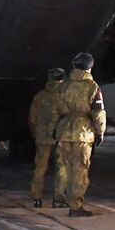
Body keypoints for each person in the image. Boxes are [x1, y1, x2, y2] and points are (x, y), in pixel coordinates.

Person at [50, 52, 106, 217]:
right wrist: (100, 132)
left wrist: (55, 129)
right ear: (90, 67)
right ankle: (75, 207)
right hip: (83, 133)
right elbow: (98, 112)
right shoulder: (93, 87)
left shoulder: (63, 86)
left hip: (64, 131)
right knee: (80, 171)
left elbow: (55, 110)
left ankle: (60, 198)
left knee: (64, 169)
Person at [28, 67, 66, 207]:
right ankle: (59, 199)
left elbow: (32, 119)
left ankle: (36, 198)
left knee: (40, 168)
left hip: (42, 136)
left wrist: (35, 133)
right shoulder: (65, 95)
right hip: (61, 136)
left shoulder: (40, 96)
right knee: (62, 168)